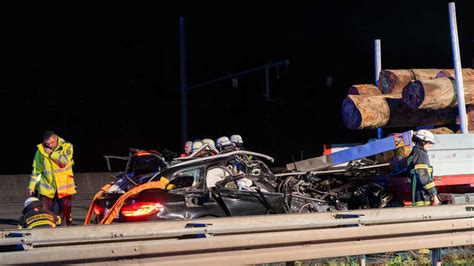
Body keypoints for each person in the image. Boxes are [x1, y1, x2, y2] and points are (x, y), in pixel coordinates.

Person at [28, 131, 76, 225]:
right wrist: (32, 186)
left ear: (56, 139)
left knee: (65, 215)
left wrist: (51, 153)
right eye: (47, 144)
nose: (50, 145)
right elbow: (36, 170)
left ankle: (66, 233)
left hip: (64, 187)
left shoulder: (67, 146)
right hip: (47, 187)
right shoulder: (40, 151)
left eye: (52, 143)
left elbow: (64, 161)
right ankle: (46, 230)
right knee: (43, 214)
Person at [407, 130, 440, 206]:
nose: (430, 146)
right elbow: (423, 176)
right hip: (423, 197)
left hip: (419, 196)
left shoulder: (415, 153)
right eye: (429, 143)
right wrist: (434, 194)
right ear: (423, 142)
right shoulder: (420, 154)